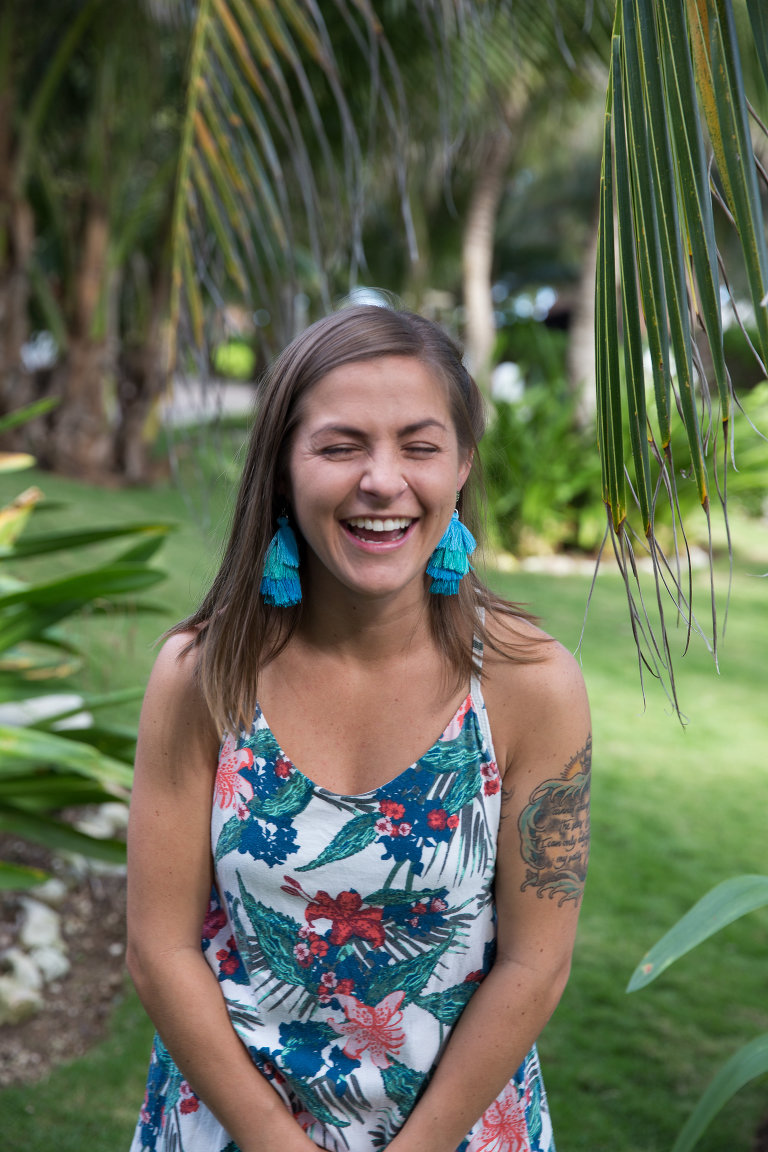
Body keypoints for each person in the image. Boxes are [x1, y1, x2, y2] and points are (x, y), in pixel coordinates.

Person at [126, 304, 591, 1152]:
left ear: (461, 468)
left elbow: (536, 962)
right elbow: (159, 951)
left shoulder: (530, 684)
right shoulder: (204, 674)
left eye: (419, 446)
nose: (383, 480)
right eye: (341, 446)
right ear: (280, 471)